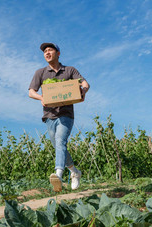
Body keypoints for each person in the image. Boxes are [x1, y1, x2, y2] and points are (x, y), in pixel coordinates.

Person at [28, 43, 90, 192]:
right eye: (45, 51)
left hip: (66, 114)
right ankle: (74, 172)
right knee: (58, 145)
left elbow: (85, 83)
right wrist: (41, 97)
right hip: (49, 115)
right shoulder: (40, 73)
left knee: (60, 140)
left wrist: (84, 90)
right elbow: (31, 91)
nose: (47, 53)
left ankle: (59, 175)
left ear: (58, 53)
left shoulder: (69, 70)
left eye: (50, 50)